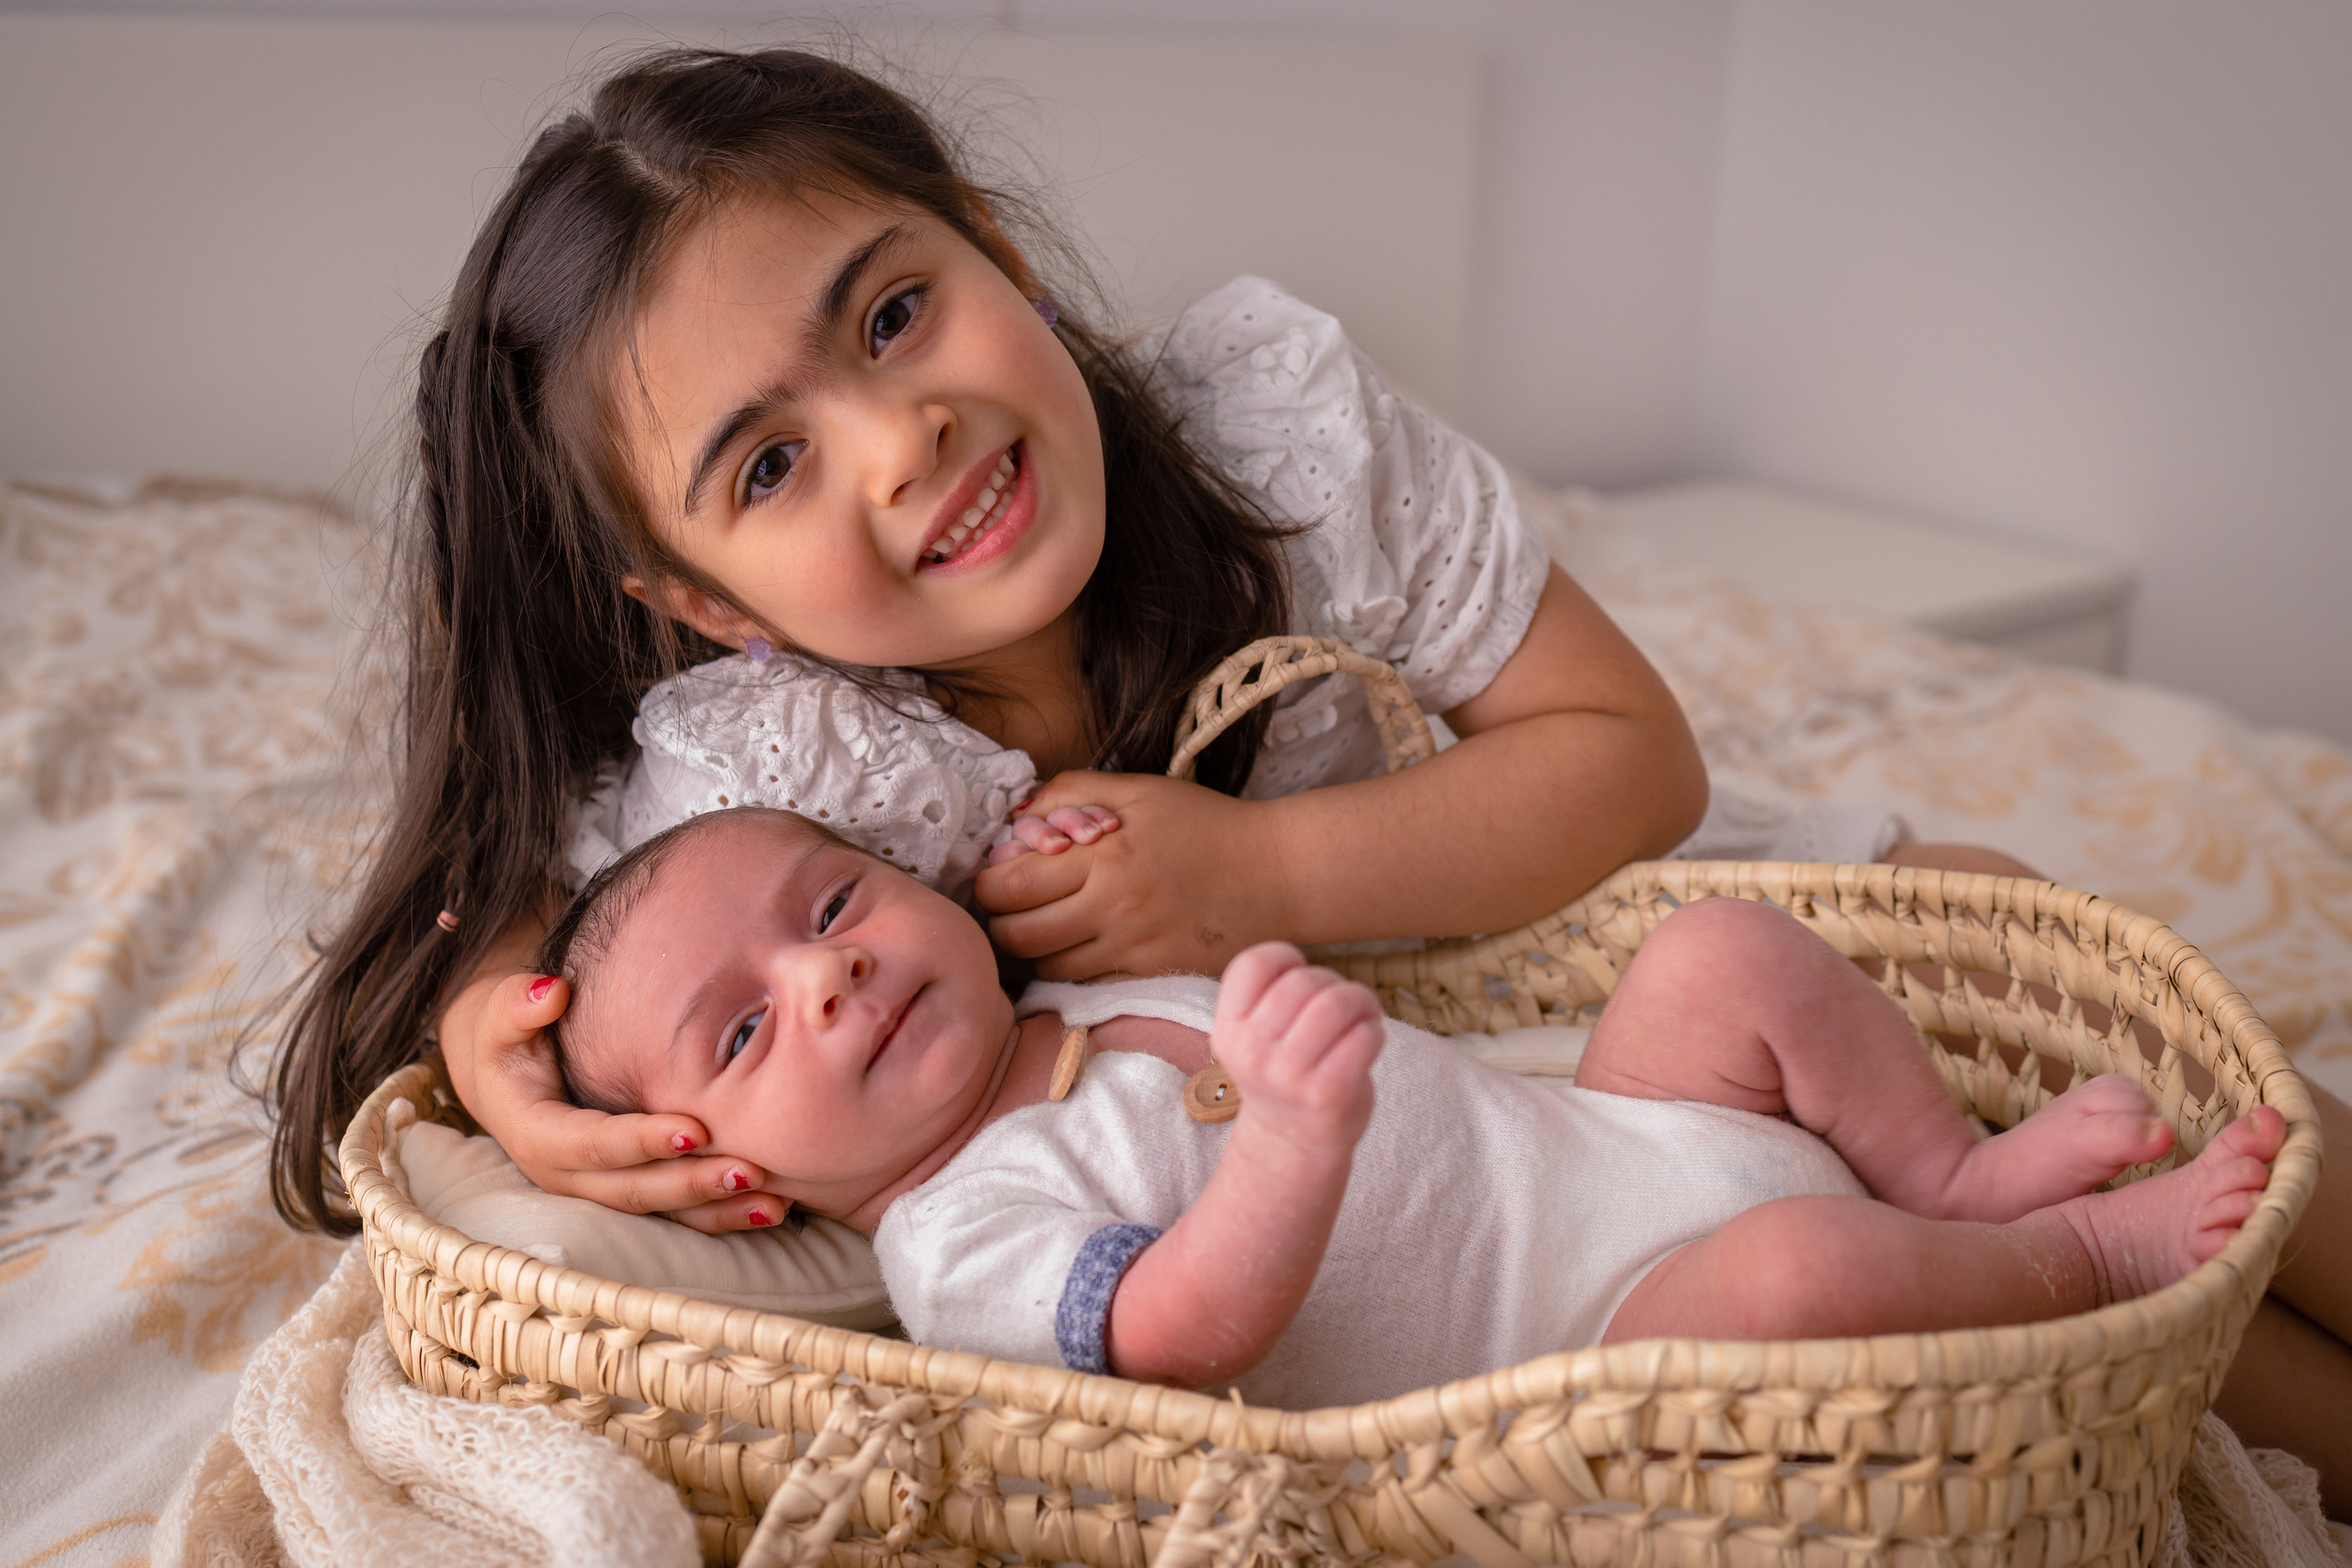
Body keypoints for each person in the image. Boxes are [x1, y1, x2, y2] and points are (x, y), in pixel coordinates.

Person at [262, 45, 2350, 1491]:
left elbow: (1630, 760)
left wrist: (1254, 883)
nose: (901, 444)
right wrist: (479, 1005)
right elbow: (588, 915)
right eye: (773, 461)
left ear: (989, 239)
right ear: (702, 597)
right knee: (2127, 1325)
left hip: (1573, 964)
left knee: (2047, 953)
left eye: (895, 311)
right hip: (1489, 1210)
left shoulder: (1265, 431)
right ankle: (2177, 1337)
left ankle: (2137, 1201)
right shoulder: (779, 761)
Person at [536, 805, 2293, 1413]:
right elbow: (1176, 1333)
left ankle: (1953, 1180)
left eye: (835, 905)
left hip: (1625, 1140)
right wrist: (1290, 1144)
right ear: (736, 1177)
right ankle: (2074, 1257)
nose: (827, 975)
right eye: (746, 1029)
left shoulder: (1059, 994)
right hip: (1597, 1325)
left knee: (1716, 951)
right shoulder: (957, 1242)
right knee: (1799, 1288)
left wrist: (1076, 860)